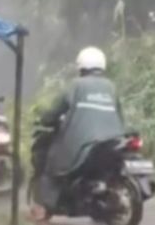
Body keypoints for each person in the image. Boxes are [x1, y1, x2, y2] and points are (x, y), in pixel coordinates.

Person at [31, 46, 125, 221]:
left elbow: (56, 109)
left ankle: (42, 210)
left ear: (81, 66)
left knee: (53, 163)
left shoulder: (76, 85)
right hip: (114, 140)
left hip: (83, 142)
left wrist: (45, 118)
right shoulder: (111, 87)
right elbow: (119, 114)